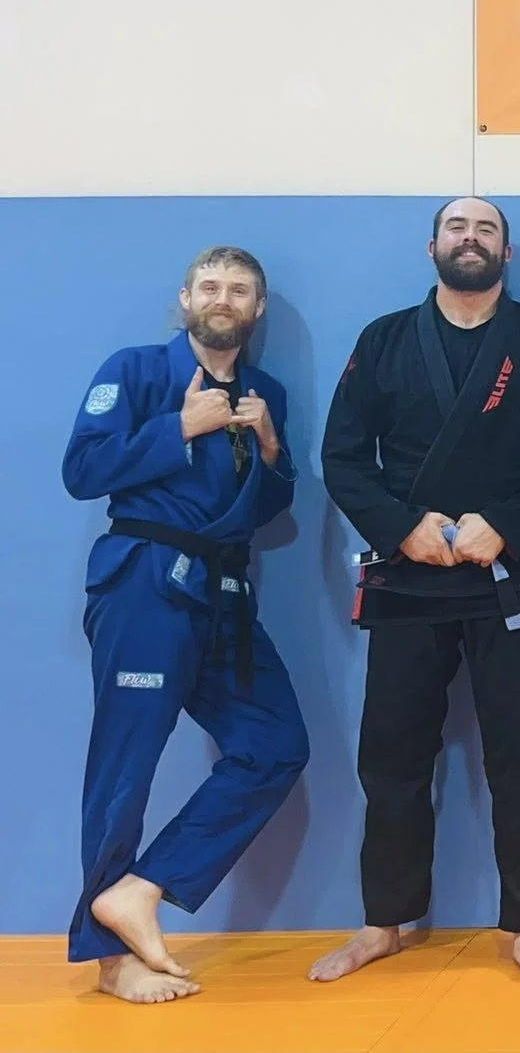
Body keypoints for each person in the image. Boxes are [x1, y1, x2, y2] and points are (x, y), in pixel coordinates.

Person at [311, 198, 520, 988]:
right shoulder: (384, 341)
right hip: (409, 576)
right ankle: (384, 921)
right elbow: (342, 458)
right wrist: (401, 526)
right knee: (392, 759)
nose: (469, 239)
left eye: (485, 230)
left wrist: (505, 526)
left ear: (506, 253)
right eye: (457, 228)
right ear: (432, 246)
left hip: (508, 575)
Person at [60, 247, 310, 1004]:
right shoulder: (136, 370)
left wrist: (271, 452)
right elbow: (82, 471)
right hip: (145, 582)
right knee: (124, 766)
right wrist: (178, 428)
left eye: (239, 289)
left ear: (257, 308)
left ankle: (141, 888)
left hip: (226, 592)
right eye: (211, 285)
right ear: (186, 297)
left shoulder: (265, 392)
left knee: (274, 746)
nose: (223, 297)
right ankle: (110, 959)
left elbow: (264, 511)